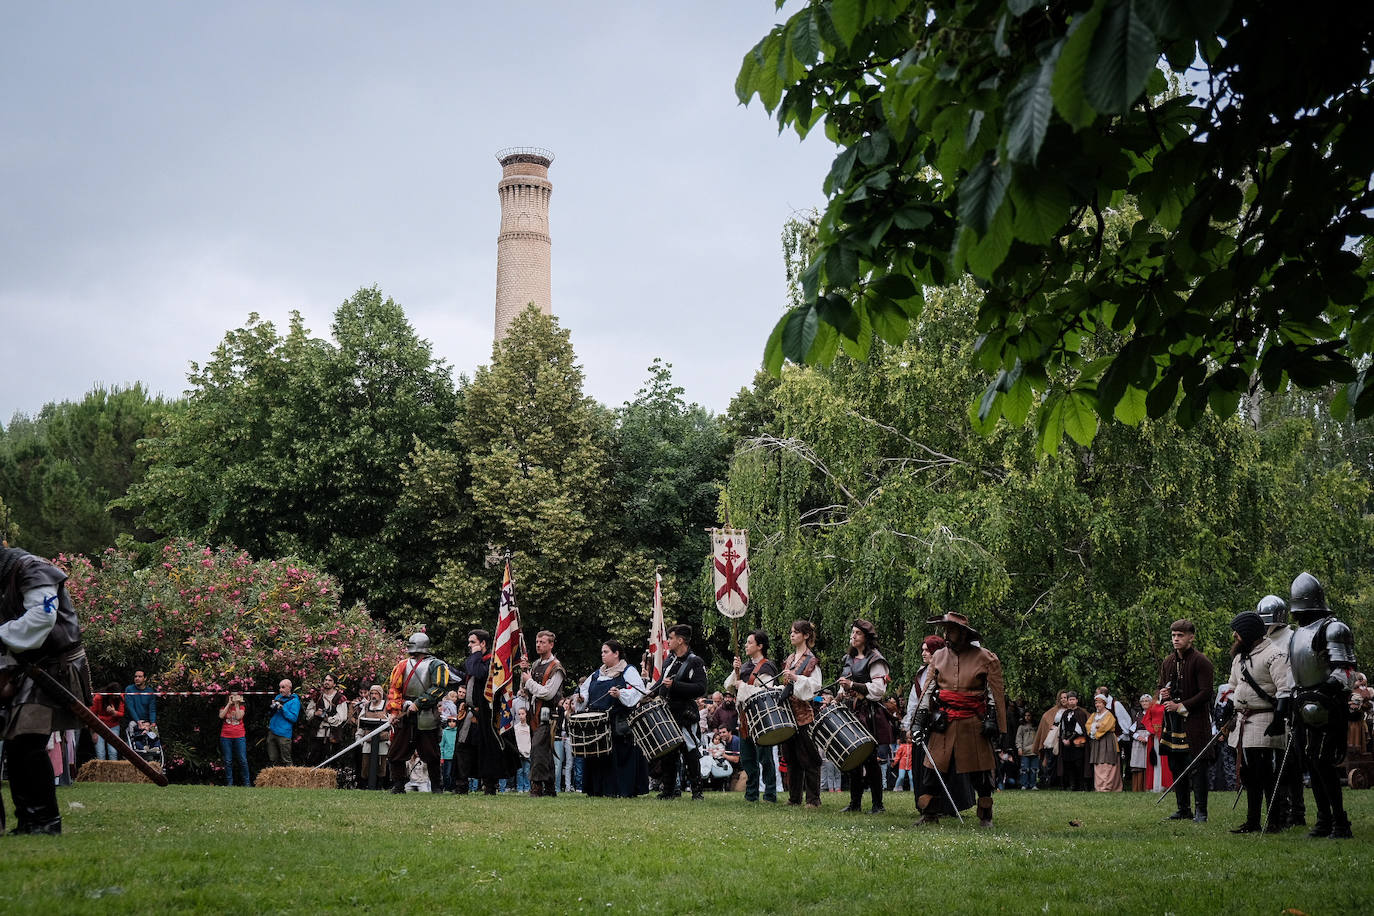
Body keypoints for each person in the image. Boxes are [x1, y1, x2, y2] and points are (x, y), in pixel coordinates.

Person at [0, 547, 93, 835]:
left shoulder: (32, 568)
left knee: (27, 742)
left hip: (57, 667)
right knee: (18, 746)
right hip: (29, 667)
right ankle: (30, 820)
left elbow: (42, 618)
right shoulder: (5, 578)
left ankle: (46, 821)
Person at [913, 611, 1005, 826]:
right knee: (932, 771)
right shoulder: (938, 657)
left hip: (973, 722)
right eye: (946, 630)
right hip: (944, 722)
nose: (947, 635)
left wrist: (992, 718)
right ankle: (930, 815)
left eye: (951, 631)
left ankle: (985, 817)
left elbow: (993, 691)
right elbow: (928, 690)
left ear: (963, 633)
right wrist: (919, 719)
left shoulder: (985, 657)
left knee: (981, 775)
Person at [1288, 572, 1358, 838]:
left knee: (1324, 761)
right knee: (1311, 761)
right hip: (1306, 705)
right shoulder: (1298, 634)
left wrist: (1325, 689)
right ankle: (1324, 819)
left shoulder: (1334, 628)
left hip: (1330, 706)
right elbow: (1299, 672)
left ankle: (1340, 822)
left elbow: (1347, 671)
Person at [1222, 610, 1293, 833]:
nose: (1235, 635)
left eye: (1238, 631)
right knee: (1248, 774)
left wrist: (1279, 719)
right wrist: (1228, 709)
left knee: (1264, 773)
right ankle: (1252, 821)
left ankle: (1274, 821)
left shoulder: (1275, 655)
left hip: (1265, 718)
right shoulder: (1239, 657)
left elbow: (1285, 690)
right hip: (1243, 719)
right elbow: (1232, 687)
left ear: (1250, 633)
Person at [1157, 618, 1215, 823]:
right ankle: (1183, 809)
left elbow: (1206, 693)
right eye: (1173, 635)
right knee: (1176, 764)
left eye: (1180, 635)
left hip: (1195, 722)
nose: (1175, 639)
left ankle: (1201, 811)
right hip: (1173, 723)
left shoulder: (1201, 661)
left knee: (1197, 766)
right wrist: (1163, 694)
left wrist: (1181, 706)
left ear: (1191, 637)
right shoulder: (1168, 661)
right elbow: (1161, 687)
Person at [578, 639, 649, 798]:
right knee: (598, 757)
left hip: (618, 723)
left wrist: (620, 694)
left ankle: (620, 789)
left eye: (606, 652)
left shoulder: (628, 671)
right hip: (597, 725)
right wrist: (581, 699)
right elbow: (584, 692)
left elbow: (638, 691)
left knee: (618, 756)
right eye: (602, 652)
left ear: (616, 654)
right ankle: (598, 789)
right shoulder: (597, 674)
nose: (602, 655)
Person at [385, 632, 452, 794]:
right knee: (395, 752)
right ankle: (399, 784)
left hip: (427, 714)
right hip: (405, 714)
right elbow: (395, 689)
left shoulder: (437, 665)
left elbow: (439, 688)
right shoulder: (402, 665)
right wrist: (394, 711)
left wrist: (418, 703)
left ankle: (436, 786)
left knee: (432, 754)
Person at [837, 618, 891, 814]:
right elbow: (843, 687)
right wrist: (839, 695)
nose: (853, 636)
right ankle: (855, 803)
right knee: (853, 759)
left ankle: (878, 805)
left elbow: (878, 690)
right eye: (852, 632)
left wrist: (853, 686)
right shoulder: (848, 659)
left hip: (869, 714)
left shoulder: (876, 659)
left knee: (870, 759)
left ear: (866, 637)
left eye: (857, 633)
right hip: (852, 712)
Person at [723, 629, 778, 803]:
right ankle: (751, 794)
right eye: (746, 642)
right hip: (745, 719)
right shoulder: (745, 666)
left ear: (760, 646)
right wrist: (735, 671)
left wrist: (743, 686)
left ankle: (770, 794)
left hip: (762, 719)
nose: (746, 645)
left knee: (765, 758)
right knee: (747, 759)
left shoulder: (767, 667)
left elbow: (765, 692)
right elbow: (728, 687)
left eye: (750, 642)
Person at [654, 623, 708, 800]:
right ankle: (669, 790)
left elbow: (701, 688)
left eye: (671, 638)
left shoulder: (695, 661)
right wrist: (647, 694)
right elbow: (661, 682)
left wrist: (676, 685)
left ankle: (697, 792)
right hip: (668, 712)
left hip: (685, 713)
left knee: (690, 751)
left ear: (680, 640)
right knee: (668, 753)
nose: (668, 641)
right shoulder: (669, 660)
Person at [778, 619, 823, 807]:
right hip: (789, 715)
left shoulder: (811, 660)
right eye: (791, 631)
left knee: (809, 757)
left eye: (796, 632)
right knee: (791, 757)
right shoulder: (789, 659)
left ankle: (813, 799)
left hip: (805, 715)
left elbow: (816, 686)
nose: (792, 635)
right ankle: (794, 797)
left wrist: (796, 677)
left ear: (806, 635)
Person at [518, 629, 564, 797]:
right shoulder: (536, 664)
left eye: (543, 642)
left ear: (551, 644)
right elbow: (528, 691)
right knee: (544, 752)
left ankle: (536, 788)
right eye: (537, 642)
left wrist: (529, 681)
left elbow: (548, 693)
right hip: (534, 713)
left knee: (537, 750)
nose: (538, 645)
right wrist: (525, 674)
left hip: (548, 715)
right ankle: (550, 789)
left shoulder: (556, 668)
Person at [304, 674, 349, 766]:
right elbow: (308, 712)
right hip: (317, 733)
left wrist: (328, 719)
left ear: (334, 684)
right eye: (325, 680)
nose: (327, 682)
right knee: (313, 760)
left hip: (332, 735)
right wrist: (315, 713)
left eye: (330, 680)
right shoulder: (317, 696)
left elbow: (342, 716)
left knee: (331, 762)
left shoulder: (340, 698)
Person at [1132, 694, 1171, 792]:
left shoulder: (1170, 703)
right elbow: (1147, 719)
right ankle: (1157, 785)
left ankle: (1167, 785)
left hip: (1166, 736)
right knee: (1156, 760)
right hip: (1154, 737)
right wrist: (1152, 730)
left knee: (1166, 761)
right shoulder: (1153, 705)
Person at [354, 683, 390, 789]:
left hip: (383, 740)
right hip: (368, 739)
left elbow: (392, 723)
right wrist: (359, 737)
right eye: (372, 693)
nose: (374, 695)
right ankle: (365, 784)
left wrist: (391, 739)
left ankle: (379, 785)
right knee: (365, 763)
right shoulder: (366, 706)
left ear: (380, 694)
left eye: (376, 693)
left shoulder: (386, 706)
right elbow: (361, 723)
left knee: (382, 764)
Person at [1032, 690, 1068, 789]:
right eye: (1061, 698)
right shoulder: (1053, 711)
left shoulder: (1073, 710)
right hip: (1053, 739)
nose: (1063, 700)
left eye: (1065, 697)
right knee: (1051, 760)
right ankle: (1050, 782)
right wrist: (1051, 727)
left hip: (1067, 738)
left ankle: (1065, 783)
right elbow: (1046, 719)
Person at [1086, 694, 1122, 791]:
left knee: (1107, 763)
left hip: (1107, 741)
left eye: (1100, 703)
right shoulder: (1094, 715)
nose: (1098, 705)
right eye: (1096, 703)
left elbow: (1106, 726)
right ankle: (1099, 786)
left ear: (1104, 704)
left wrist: (1097, 727)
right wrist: (1093, 729)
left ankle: (1107, 786)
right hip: (1097, 742)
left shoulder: (1109, 714)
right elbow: (1088, 725)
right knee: (1098, 763)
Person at [1056, 692, 1089, 792]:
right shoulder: (1065, 713)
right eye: (1070, 699)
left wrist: (1069, 740)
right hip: (1066, 744)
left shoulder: (1080, 713)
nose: (1071, 701)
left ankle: (1080, 785)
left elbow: (1079, 729)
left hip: (1076, 743)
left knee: (1078, 764)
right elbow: (1062, 728)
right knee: (1068, 764)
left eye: (1073, 699)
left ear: (1077, 701)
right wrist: (1063, 739)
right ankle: (1071, 785)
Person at [218, 691, 250, 787]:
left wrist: (236, 704)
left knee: (242, 760)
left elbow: (239, 716)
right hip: (225, 737)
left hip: (239, 736)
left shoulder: (241, 707)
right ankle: (229, 783)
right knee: (228, 761)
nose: (234, 697)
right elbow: (221, 716)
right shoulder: (224, 708)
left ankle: (247, 783)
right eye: (232, 696)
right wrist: (229, 703)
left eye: (236, 696)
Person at [267, 679, 300, 767]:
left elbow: (293, 718)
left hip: (284, 734)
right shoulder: (278, 697)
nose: (280, 690)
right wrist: (272, 707)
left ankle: (291, 779)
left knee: (286, 760)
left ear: (289, 688)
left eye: (283, 687)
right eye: (280, 687)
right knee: (273, 759)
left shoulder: (295, 701)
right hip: (272, 731)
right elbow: (271, 713)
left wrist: (283, 709)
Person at [89, 683, 125, 761]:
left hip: (113, 726)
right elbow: (92, 715)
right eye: (114, 695)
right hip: (99, 726)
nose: (116, 697)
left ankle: (112, 772)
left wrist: (114, 713)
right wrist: (93, 732)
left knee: (113, 752)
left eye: (117, 695)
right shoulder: (98, 698)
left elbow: (122, 713)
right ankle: (102, 772)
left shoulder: (120, 697)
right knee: (100, 753)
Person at [123, 669, 157, 740]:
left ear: (145, 678)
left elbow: (152, 709)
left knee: (154, 734)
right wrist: (138, 721)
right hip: (133, 721)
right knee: (133, 729)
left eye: (140, 676)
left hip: (147, 721)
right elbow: (130, 707)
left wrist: (152, 723)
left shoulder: (150, 692)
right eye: (135, 676)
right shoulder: (129, 689)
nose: (137, 678)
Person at [1015, 710, 1039, 789]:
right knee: (1024, 769)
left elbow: (1039, 737)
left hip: (1034, 750)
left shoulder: (1035, 726)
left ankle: (1033, 785)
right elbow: (1018, 738)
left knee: (1034, 769)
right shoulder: (1021, 727)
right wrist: (1019, 748)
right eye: (1025, 715)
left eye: (1029, 715)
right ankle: (1024, 784)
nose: (1027, 717)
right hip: (1025, 751)